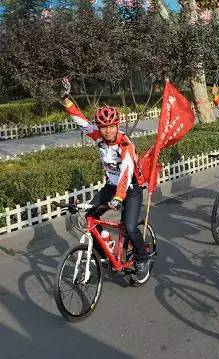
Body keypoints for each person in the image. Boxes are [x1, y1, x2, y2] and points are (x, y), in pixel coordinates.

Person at [60, 78, 150, 283]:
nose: (108, 130)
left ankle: (142, 256)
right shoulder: (98, 137)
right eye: (104, 127)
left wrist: (119, 198)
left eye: (112, 126)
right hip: (111, 186)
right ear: (99, 127)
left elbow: (126, 173)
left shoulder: (125, 144)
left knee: (128, 226)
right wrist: (66, 100)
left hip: (131, 188)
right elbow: (81, 121)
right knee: (88, 218)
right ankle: (108, 245)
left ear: (117, 125)